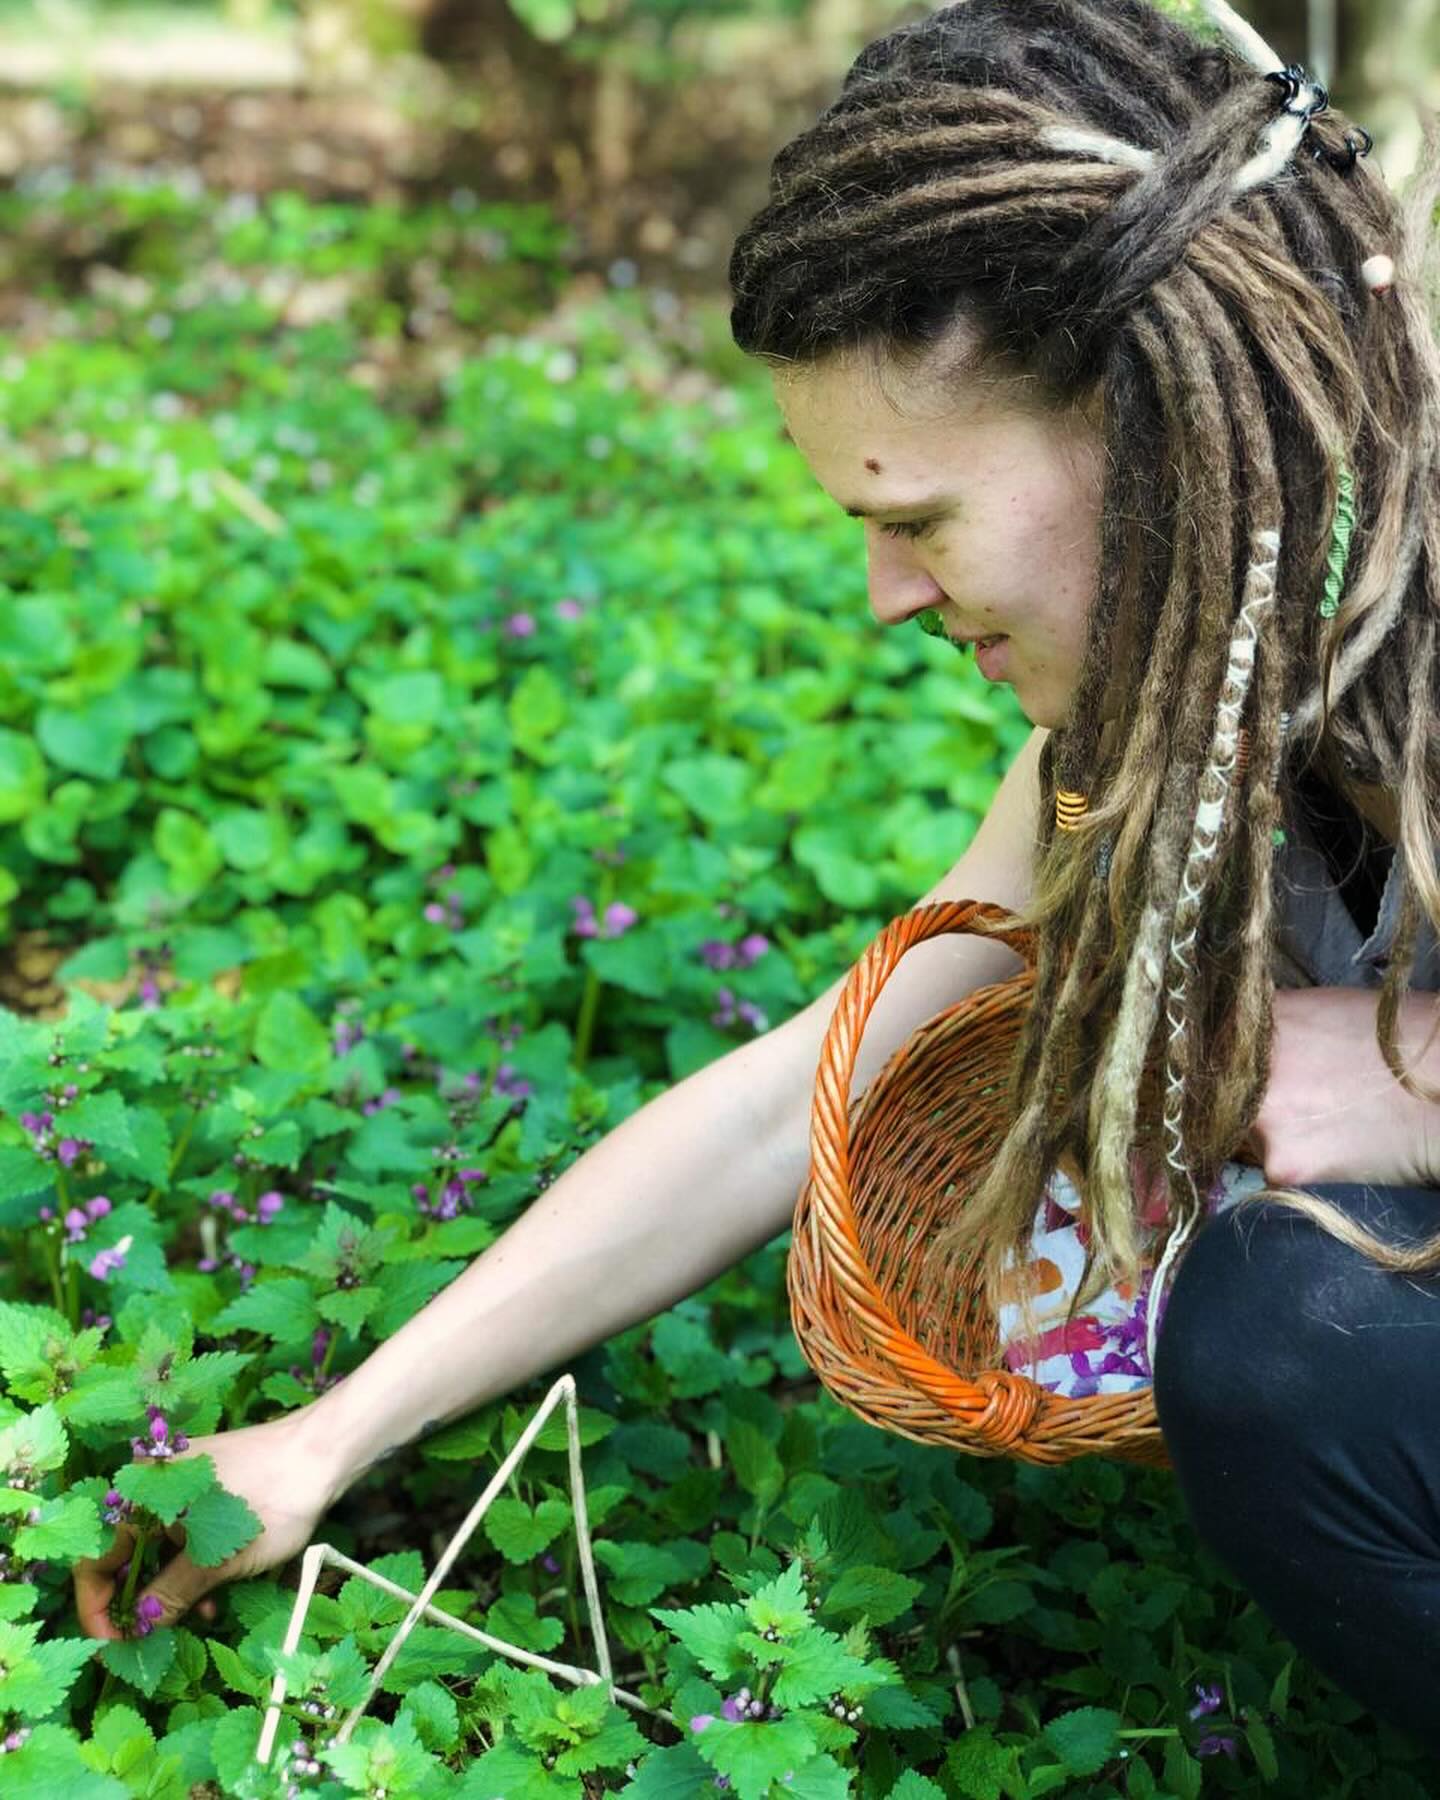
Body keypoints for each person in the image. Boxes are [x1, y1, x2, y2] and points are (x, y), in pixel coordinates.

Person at [74, 0, 1440, 1754]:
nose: (884, 596)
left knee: (1286, 1334)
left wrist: (1409, 1093)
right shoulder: (1158, 718)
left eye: (917, 516)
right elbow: (797, 1097)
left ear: (1148, 428)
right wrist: (331, 1433)